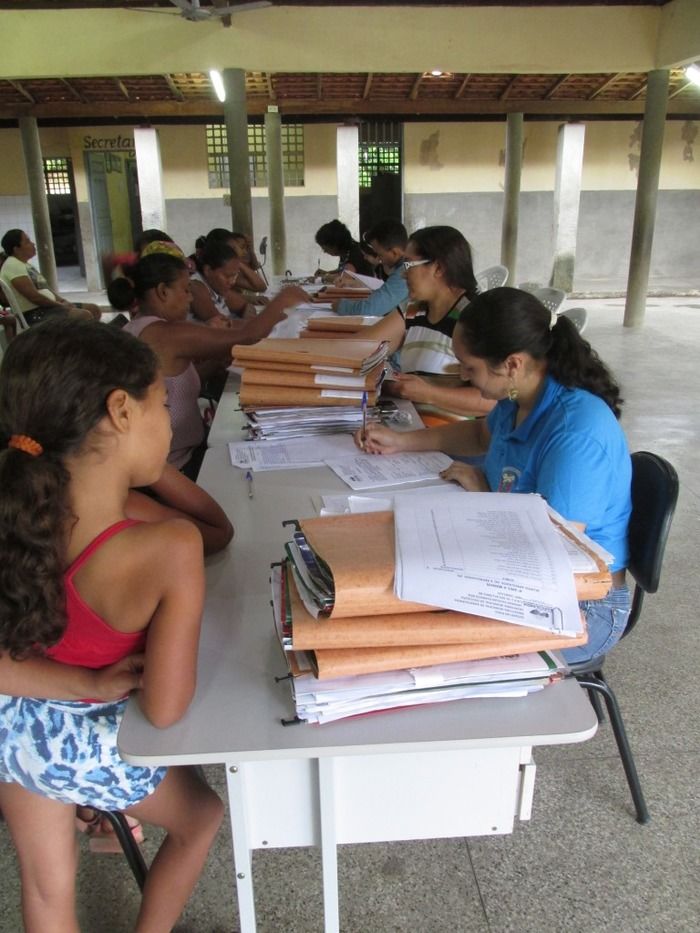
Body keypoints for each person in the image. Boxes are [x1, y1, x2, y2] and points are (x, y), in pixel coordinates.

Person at [0, 317, 224, 932]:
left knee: (46, 889)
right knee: (200, 816)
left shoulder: (16, 510)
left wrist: (79, 682)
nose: (169, 422)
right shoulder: (166, 546)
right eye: (162, 406)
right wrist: (150, 468)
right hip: (93, 745)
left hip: (13, 730)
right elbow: (165, 710)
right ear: (121, 411)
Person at [358, 287, 632, 665]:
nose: (463, 377)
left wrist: (487, 495)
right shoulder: (518, 397)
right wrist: (402, 441)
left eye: (469, 368)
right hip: (517, 571)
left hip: (581, 602)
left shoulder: (576, 432)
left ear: (512, 364)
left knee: (435, 649)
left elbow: (553, 546)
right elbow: (479, 435)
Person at [118, 252, 304, 477]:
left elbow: (175, 382)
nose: (190, 299)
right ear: (162, 291)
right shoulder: (164, 333)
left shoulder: (137, 328)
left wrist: (215, 361)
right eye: (185, 290)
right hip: (175, 465)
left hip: (178, 453)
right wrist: (284, 299)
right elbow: (248, 336)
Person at [359, 225, 494, 418]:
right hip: (413, 422)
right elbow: (363, 346)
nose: (403, 273)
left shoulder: (474, 317)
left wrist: (430, 394)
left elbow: (493, 400)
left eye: (408, 265)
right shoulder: (414, 309)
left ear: (438, 268)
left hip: (451, 433)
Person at [0, 229, 101, 325]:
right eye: (27, 242)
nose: (33, 244)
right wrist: (60, 305)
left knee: (94, 309)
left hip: (48, 308)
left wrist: (62, 300)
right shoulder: (13, 266)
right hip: (33, 314)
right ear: (16, 249)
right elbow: (34, 297)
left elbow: (46, 288)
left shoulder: (25, 265)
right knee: (84, 315)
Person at [332, 219, 409, 318]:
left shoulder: (405, 272)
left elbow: (369, 309)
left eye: (380, 255)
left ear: (395, 252)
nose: (379, 259)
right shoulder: (403, 268)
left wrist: (341, 306)